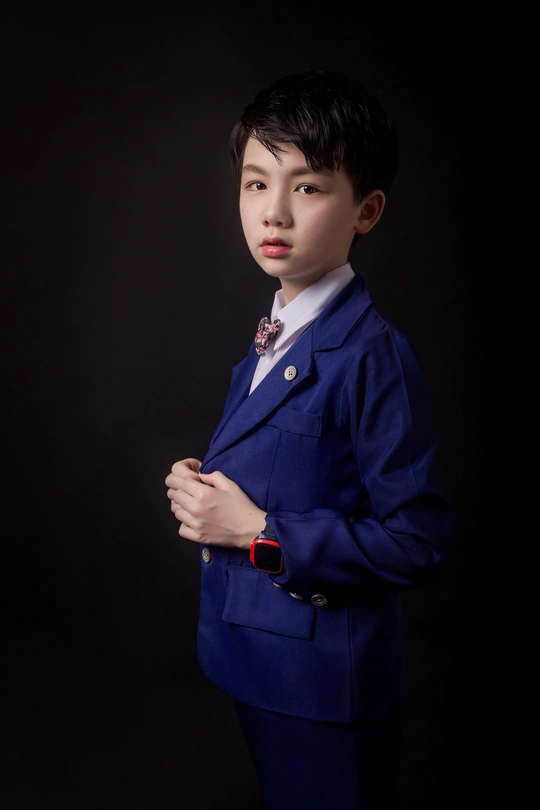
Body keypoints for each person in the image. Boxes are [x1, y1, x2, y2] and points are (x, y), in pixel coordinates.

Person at [165, 69, 453, 810]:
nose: (275, 212)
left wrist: (255, 531)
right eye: (257, 184)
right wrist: (204, 485)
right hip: (257, 660)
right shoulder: (278, 329)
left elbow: (417, 541)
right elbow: (282, 457)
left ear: (367, 209)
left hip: (322, 686)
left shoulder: (372, 354)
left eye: (309, 187)